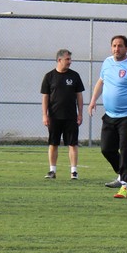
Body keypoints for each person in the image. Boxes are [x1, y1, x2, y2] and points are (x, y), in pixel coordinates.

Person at [86, 34, 127, 199]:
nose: (117, 48)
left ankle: (125, 186)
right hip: (110, 115)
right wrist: (93, 101)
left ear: (126, 48)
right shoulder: (107, 63)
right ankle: (125, 174)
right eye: (114, 45)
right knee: (106, 149)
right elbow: (101, 82)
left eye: (120, 46)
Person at [40, 49, 86, 180]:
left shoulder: (75, 76)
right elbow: (45, 97)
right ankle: (52, 171)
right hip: (54, 116)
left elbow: (79, 96)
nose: (70, 62)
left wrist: (80, 114)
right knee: (53, 143)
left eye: (70, 59)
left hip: (71, 116)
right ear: (59, 60)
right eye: (67, 59)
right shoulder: (49, 76)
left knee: (73, 144)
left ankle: (74, 172)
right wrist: (45, 115)